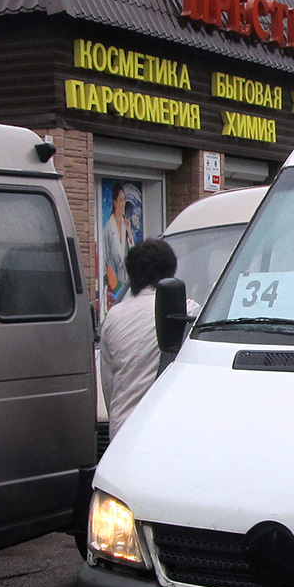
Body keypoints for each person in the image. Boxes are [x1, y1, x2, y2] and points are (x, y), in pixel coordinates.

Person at [99, 238, 196, 439]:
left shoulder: (113, 317)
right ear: (171, 274)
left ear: (131, 276)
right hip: (165, 431)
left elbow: (109, 385)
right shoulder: (188, 311)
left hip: (121, 432)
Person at [101, 182, 134, 310]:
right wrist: (115, 286)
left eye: (124, 200)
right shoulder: (108, 229)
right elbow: (105, 260)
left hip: (128, 283)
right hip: (115, 283)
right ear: (115, 203)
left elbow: (133, 253)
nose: (123, 203)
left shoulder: (125, 225)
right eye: (120, 200)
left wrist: (129, 231)